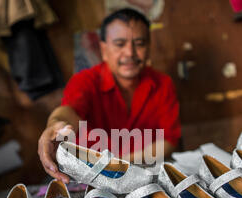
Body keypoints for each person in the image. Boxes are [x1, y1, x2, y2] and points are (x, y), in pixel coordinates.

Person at [38, 8, 182, 184]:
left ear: (148, 48)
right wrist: (54, 125)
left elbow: (169, 140)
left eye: (139, 43)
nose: (130, 53)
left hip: (143, 173)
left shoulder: (163, 83)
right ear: (104, 50)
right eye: (120, 44)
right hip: (92, 178)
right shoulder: (84, 81)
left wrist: (119, 165)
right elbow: (68, 112)